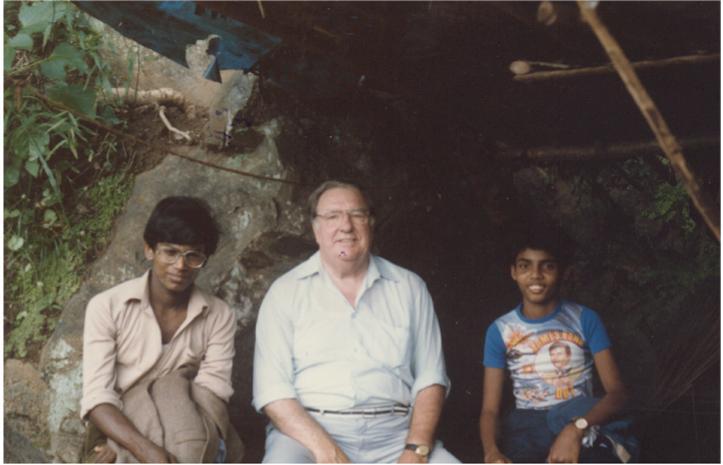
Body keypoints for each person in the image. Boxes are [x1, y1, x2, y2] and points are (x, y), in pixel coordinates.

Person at [252, 180, 459, 463]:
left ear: (371, 223)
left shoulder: (409, 287)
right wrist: (328, 452)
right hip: (308, 438)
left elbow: (431, 378)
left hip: (396, 436)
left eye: (357, 215)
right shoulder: (285, 292)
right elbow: (272, 391)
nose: (346, 226)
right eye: (332, 216)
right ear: (316, 229)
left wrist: (416, 450)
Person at [80, 196, 242, 463]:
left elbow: (213, 393)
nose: (180, 266)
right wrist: (137, 448)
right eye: (170, 252)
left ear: (205, 258)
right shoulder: (107, 306)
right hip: (119, 426)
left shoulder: (219, 315)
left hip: (190, 421)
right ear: (149, 250)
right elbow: (98, 396)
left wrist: (184, 444)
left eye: (193, 256)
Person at [480, 228, 634, 463]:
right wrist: (492, 452)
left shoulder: (584, 319)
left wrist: (576, 428)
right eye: (525, 266)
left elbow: (618, 394)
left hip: (581, 418)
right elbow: (490, 410)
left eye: (547, 266)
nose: (536, 275)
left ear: (562, 272)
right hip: (527, 428)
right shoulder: (500, 331)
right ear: (513, 272)